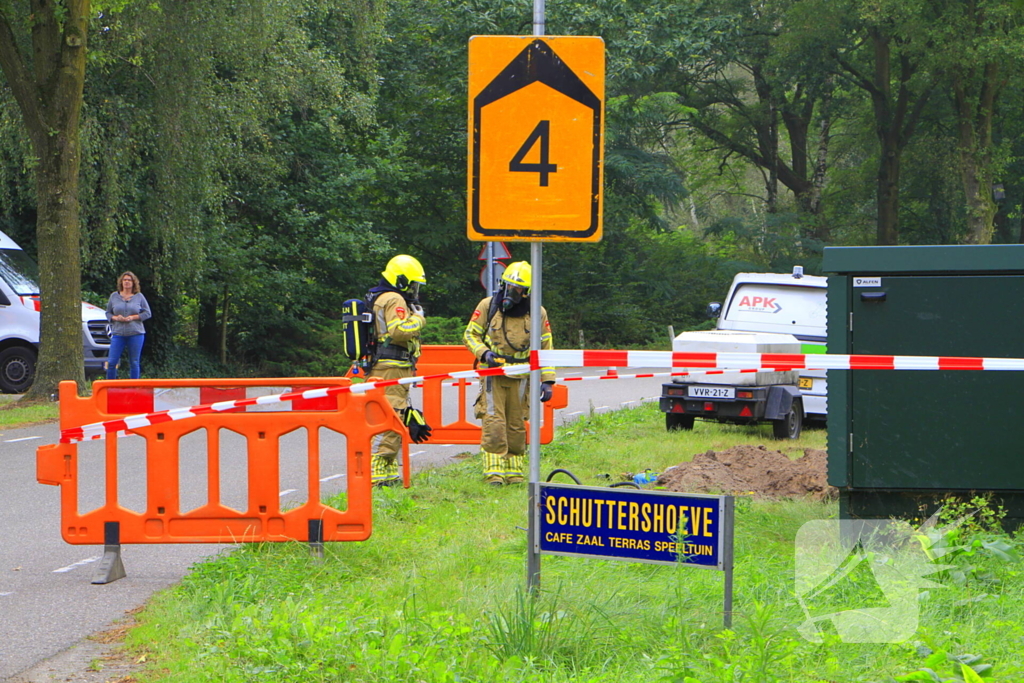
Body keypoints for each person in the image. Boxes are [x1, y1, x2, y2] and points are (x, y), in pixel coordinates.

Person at [463, 261, 555, 486]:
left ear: (526, 293)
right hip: (493, 374)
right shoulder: (488, 305)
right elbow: (469, 335)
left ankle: (514, 471)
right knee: (494, 422)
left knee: (516, 423)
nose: (510, 293)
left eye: (517, 289)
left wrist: (548, 380)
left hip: (522, 375)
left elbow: (546, 347)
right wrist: (484, 354)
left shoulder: (537, 312)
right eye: (508, 286)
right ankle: (493, 473)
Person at [367, 255, 428, 487]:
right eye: (411, 284)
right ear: (400, 280)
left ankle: (387, 473)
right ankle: (377, 471)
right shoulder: (394, 298)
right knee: (392, 417)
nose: (414, 290)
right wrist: (419, 320)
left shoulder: (379, 296)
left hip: (385, 366)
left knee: (391, 415)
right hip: (392, 368)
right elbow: (399, 331)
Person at [105, 271, 151, 380]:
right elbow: (108, 313)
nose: (126, 282)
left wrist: (133, 317)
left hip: (136, 333)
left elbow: (147, 313)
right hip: (118, 333)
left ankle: (134, 386)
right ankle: (110, 386)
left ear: (133, 283)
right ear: (121, 282)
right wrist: (116, 318)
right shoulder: (114, 296)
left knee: (134, 362)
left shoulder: (139, 296)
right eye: (124, 280)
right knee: (112, 361)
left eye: (129, 280)